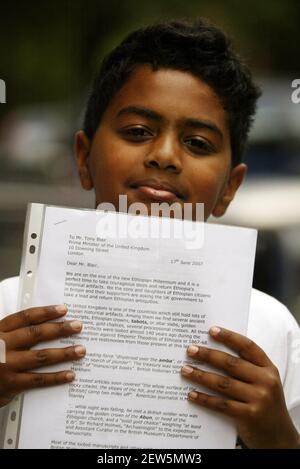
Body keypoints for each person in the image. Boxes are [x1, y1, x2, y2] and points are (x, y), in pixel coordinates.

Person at [0, 18, 300, 449]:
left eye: (197, 142)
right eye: (138, 132)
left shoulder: (270, 329)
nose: (164, 155)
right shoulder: (12, 311)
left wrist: (277, 437)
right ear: (83, 158)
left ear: (229, 188)